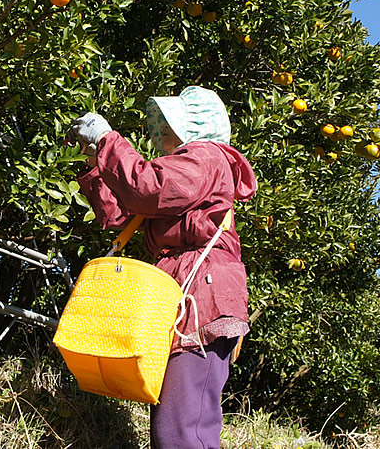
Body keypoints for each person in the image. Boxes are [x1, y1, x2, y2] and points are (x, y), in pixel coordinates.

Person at [67, 86, 257, 449]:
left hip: (203, 301)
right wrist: (95, 166)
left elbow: (148, 189)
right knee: (171, 428)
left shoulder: (206, 157)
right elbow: (124, 215)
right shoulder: (187, 173)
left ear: (192, 128)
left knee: (182, 431)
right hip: (180, 299)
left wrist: (108, 141)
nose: (163, 133)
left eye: (171, 124)